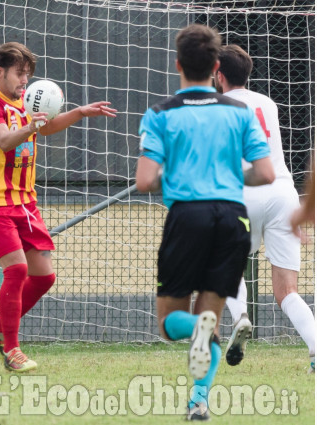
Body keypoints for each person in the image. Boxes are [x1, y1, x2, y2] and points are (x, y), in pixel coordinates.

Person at [135, 25, 275, 420]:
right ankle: (199, 402)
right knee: (209, 319)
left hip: (188, 217)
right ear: (216, 68)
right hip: (233, 220)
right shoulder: (238, 111)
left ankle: (196, 335)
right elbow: (265, 173)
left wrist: (180, 175)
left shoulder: (161, 113)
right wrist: (229, 174)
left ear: (178, 64)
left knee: (169, 324)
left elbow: (145, 181)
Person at [0, 42, 117, 372]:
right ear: (0, 72)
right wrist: (29, 125)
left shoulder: (24, 101)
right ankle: (12, 350)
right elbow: (6, 140)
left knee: (44, 276)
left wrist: (80, 112)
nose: (25, 81)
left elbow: (46, 127)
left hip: (25, 203)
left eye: (28, 75)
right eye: (19, 74)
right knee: (17, 270)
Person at [215, 45, 315, 372]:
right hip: (282, 194)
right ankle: (315, 350)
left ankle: (241, 316)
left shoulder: (216, 105)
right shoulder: (268, 103)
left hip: (242, 191)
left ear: (218, 73)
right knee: (286, 290)